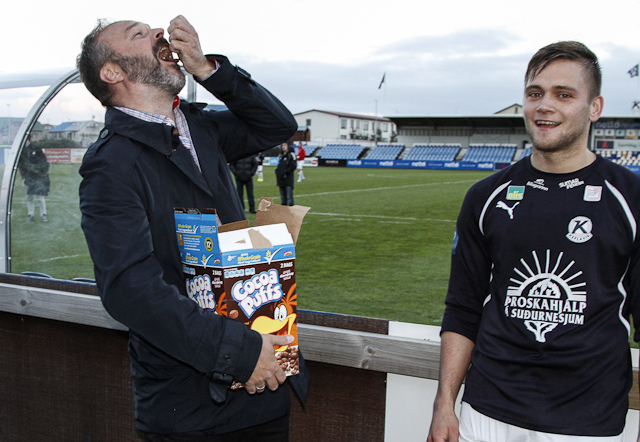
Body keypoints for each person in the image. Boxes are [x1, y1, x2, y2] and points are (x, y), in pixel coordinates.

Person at [77, 15, 308, 441]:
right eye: (139, 35)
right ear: (113, 72)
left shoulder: (201, 126)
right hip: (192, 404)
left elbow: (278, 125)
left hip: (265, 385)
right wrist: (240, 352)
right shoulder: (111, 164)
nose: (159, 34)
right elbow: (130, 288)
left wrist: (207, 69)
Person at [428, 41, 640, 442]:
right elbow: (463, 307)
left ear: (594, 107)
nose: (544, 105)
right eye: (534, 93)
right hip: (486, 411)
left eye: (564, 94)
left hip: (587, 420)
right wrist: (444, 406)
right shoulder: (486, 196)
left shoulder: (630, 198)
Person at [18, 137, 50, 222]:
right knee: (29, 197)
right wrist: (23, 176)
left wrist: (38, 172)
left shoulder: (36, 149)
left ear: (27, 140)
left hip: (37, 177)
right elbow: (20, 165)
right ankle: (30, 215)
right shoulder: (21, 151)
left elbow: (43, 162)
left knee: (40, 197)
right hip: (27, 177)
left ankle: (43, 214)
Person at [275, 141, 296, 206]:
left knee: (289, 196)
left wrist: (287, 171)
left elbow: (294, 165)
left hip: (288, 178)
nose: (283, 147)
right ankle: (284, 211)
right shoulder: (280, 155)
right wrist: (277, 172)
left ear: (288, 146)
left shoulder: (291, 155)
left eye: (285, 145)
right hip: (281, 179)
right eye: (282, 145)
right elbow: (279, 165)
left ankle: (291, 210)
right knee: (283, 197)